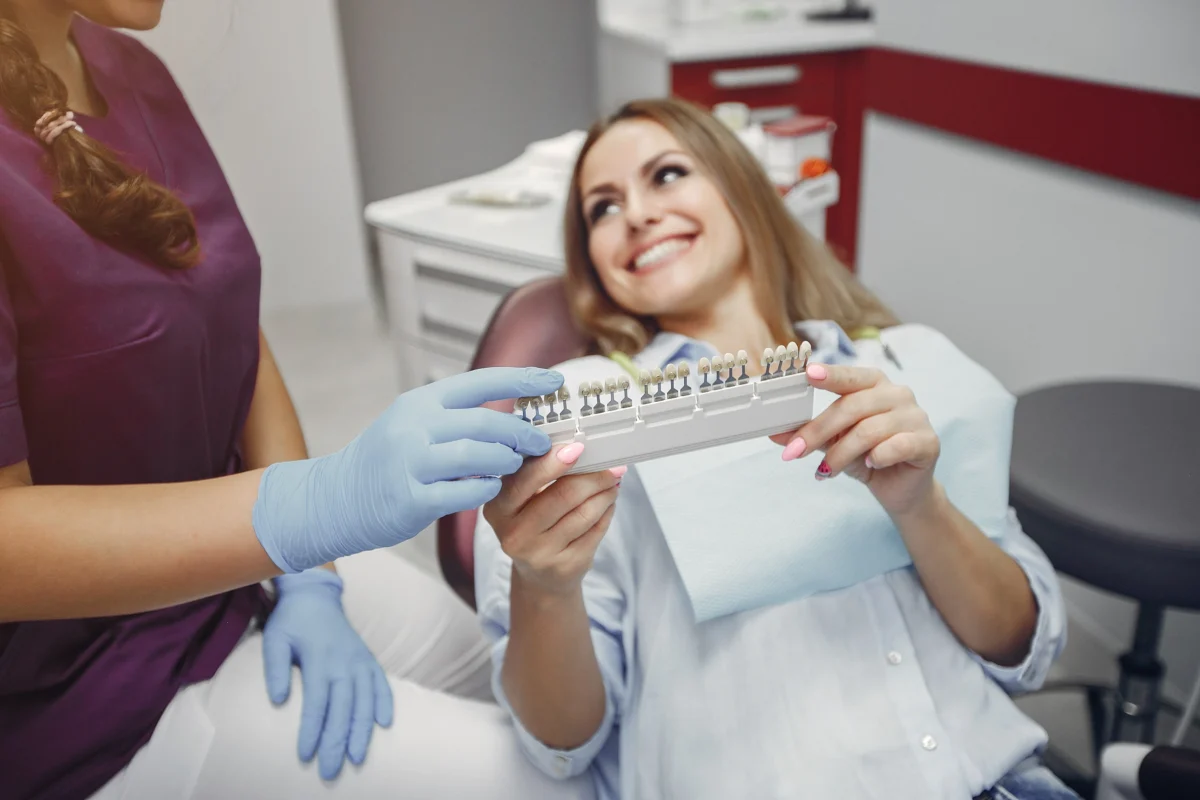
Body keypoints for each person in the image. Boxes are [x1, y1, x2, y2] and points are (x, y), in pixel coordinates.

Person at [0, 2, 596, 798]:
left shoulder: (127, 66)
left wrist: (307, 573)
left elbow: (228, 313)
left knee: (525, 689)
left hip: (238, 577)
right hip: (91, 690)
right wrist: (311, 506)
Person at [474, 97, 1081, 800]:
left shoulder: (909, 364)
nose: (636, 214)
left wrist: (922, 508)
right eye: (602, 209)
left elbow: (1025, 651)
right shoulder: (583, 409)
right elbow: (561, 744)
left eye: (667, 175)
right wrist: (545, 587)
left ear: (743, 187)